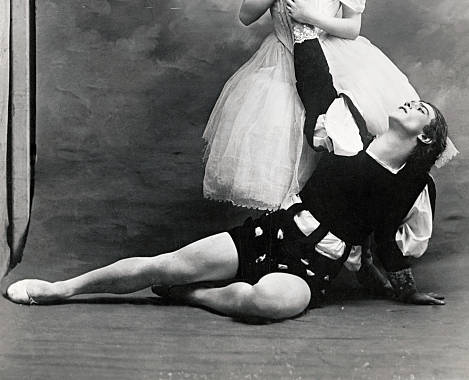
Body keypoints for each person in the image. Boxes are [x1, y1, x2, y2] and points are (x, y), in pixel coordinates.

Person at [6, 100, 448, 321]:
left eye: (421, 109)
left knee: (273, 303)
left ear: (426, 137)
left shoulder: (412, 186)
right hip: (271, 236)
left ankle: (192, 296)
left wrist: (406, 290)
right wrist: (302, 27)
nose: (410, 103)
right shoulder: (346, 134)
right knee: (165, 264)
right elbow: (315, 78)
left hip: (314, 269)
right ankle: (61, 289)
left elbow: (387, 242)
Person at [203, 0, 458, 211]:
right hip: (278, 60)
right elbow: (246, 15)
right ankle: (289, 232)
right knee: (283, 146)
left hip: (335, 57)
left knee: (345, 141)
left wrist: (310, 15)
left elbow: (352, 28)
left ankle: (351, 230)